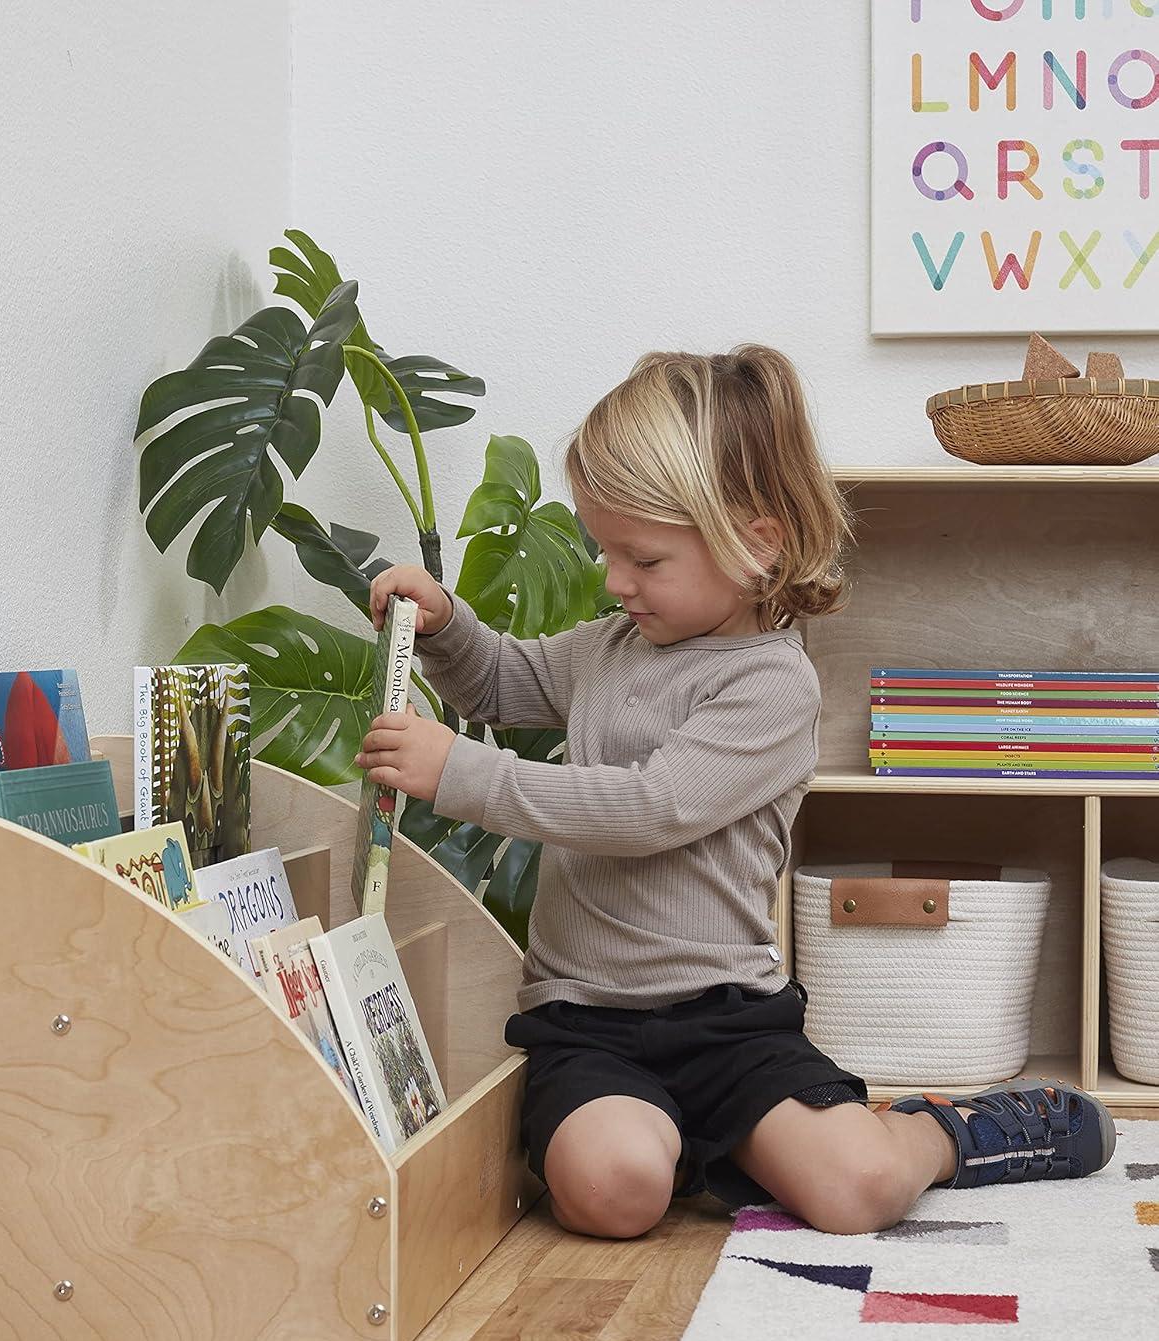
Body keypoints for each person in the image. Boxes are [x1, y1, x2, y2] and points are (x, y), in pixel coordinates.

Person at [356, 345, 1116, 1240]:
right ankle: (683, 1146)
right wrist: (449, 628)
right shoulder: (613, 648)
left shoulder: (770, 686)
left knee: (859, 1191)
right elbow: (501, 684)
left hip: (730, 1026)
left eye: (642, 558)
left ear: (756, 543)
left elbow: (649, 809)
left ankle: (945, 1134)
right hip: (586, 1022)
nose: (612, 581)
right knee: (612, 1191)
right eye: (605, 550)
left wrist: (460, 773)